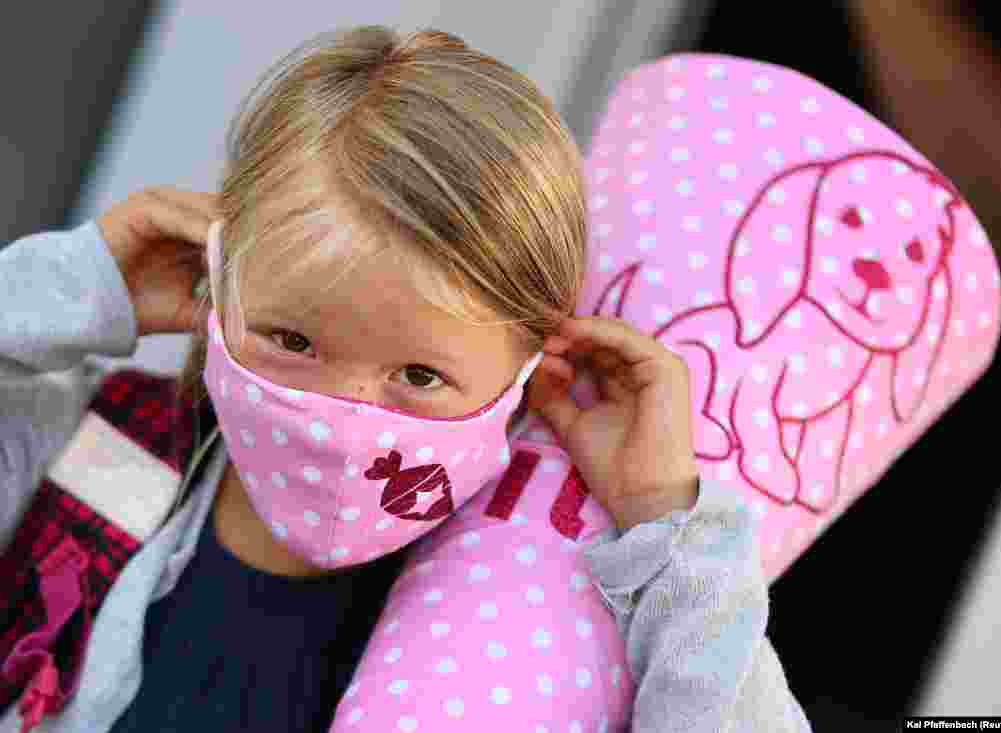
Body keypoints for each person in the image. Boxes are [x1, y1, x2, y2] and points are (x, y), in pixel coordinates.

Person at [0, 25, 811, 732]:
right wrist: (76, 288)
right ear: (219, 280)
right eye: (292, 337)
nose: (343, 415)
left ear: (530, 368)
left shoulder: (547, 613)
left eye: (419, 374)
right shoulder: (81, 451)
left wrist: (667, 523)